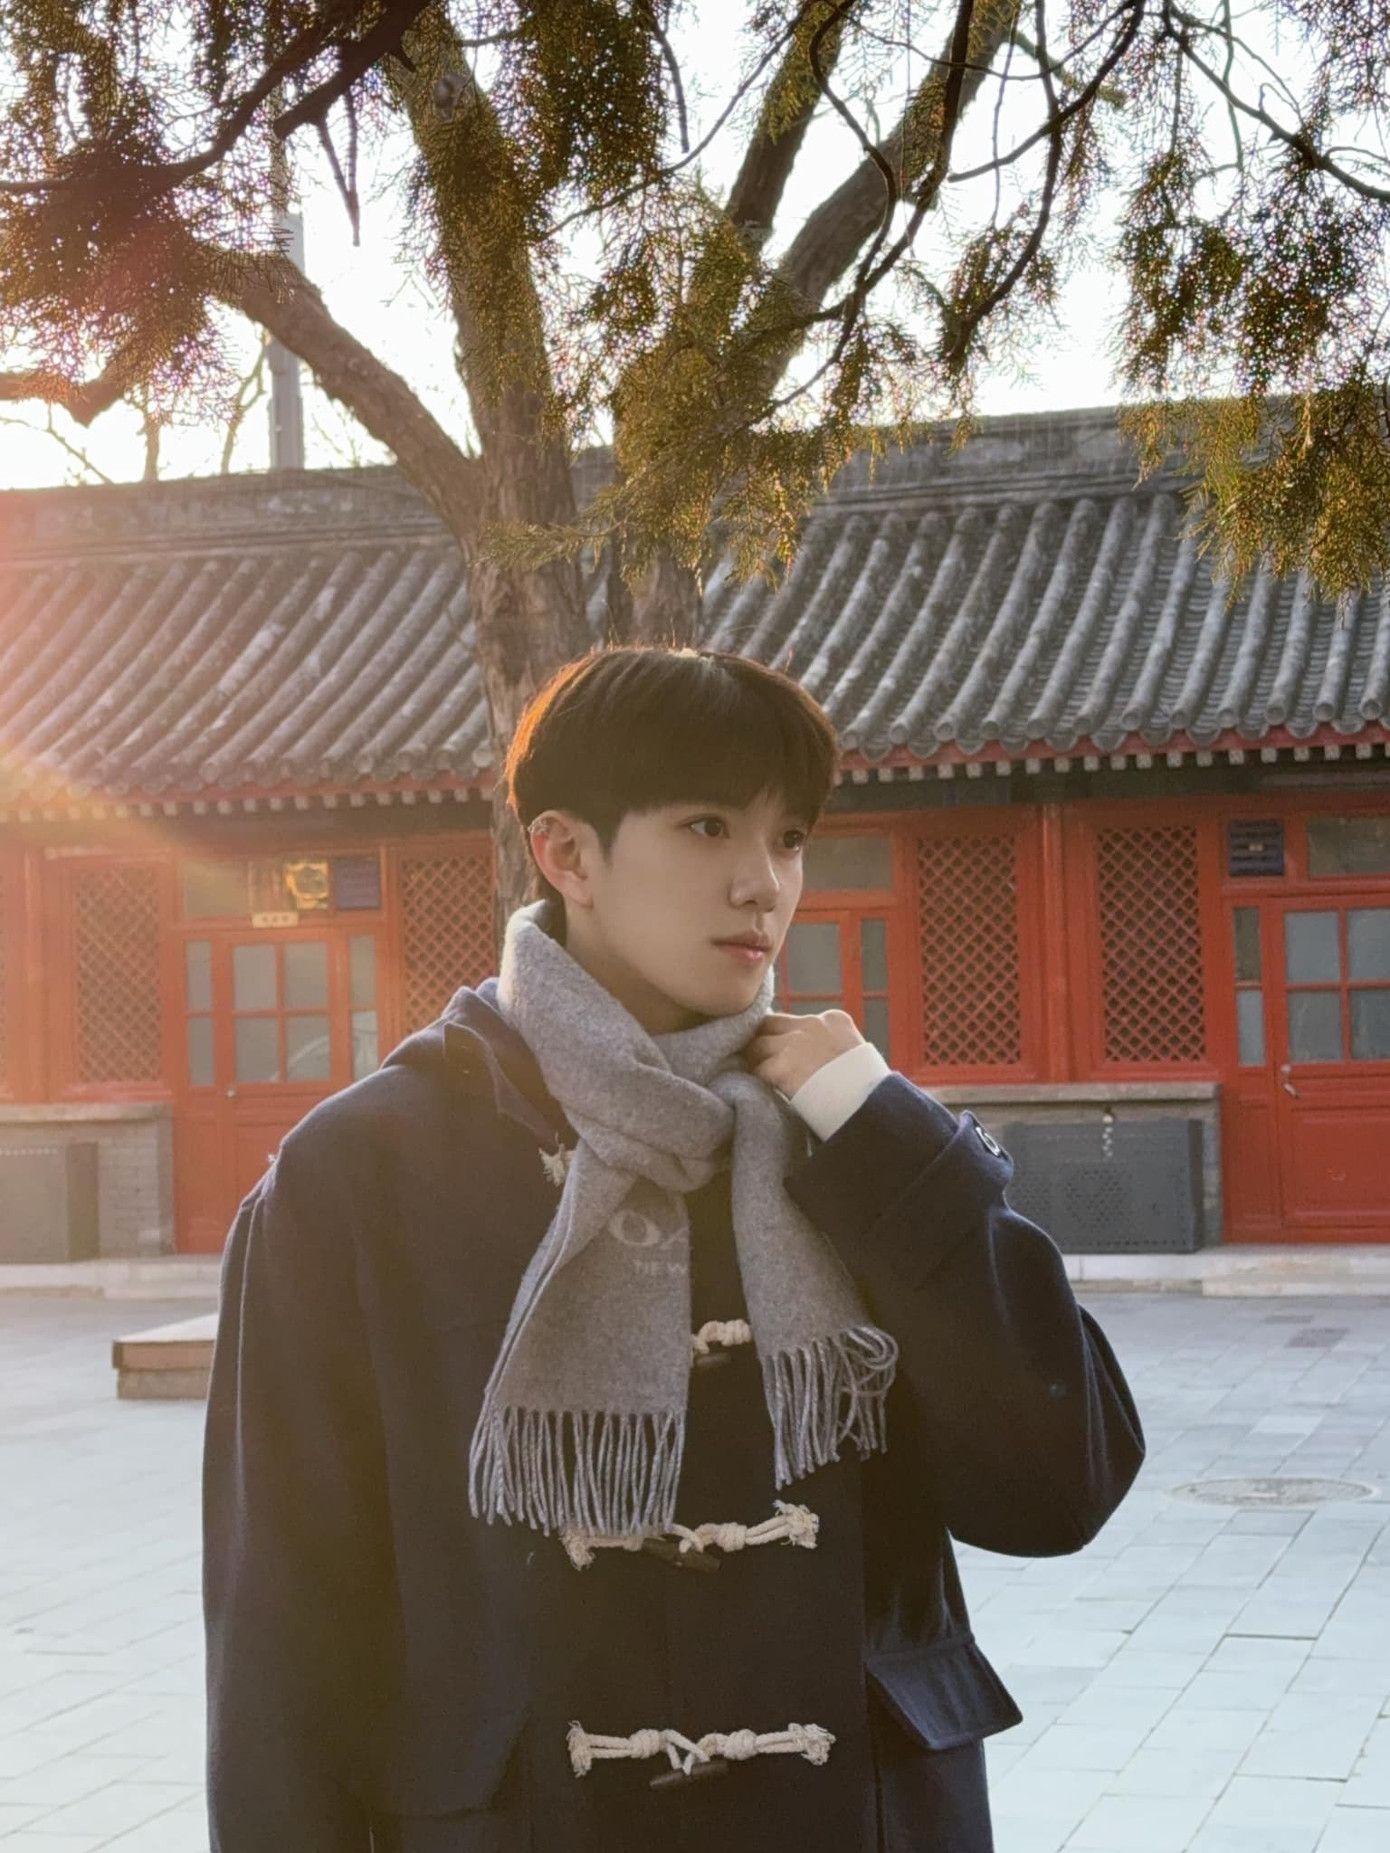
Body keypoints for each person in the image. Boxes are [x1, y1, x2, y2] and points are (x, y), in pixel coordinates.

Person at [203, 645, 1144, 1853]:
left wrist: (890, 1138)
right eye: (708, 826)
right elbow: (282, 1627)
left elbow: (1057, 1489)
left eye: (789, 837)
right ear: (566, 853)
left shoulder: (847, 1138)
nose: (764, 883)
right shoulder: (364, 1170)